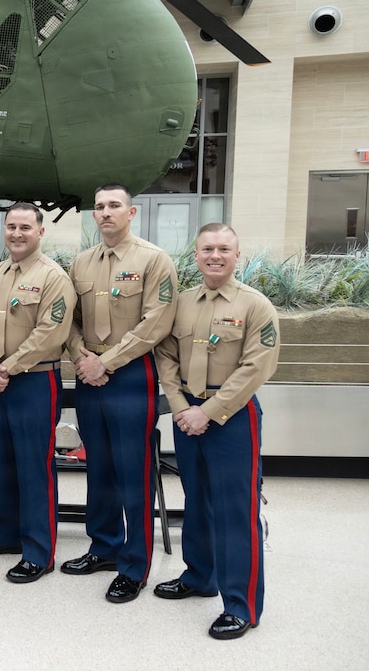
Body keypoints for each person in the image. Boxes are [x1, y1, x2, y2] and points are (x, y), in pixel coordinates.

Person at [153, 223, 279, 640]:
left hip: (233, 417)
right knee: (197, 500)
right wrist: (179, 407)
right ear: (197, 255)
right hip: (187, 413)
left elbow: (256, 368)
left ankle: (241, 606)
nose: (215, 256)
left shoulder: (255, 306)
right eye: (207, 248)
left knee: (234, 510)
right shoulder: (182, 304)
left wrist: (208, 411)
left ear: (236, 255)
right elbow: (165, 354)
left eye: (224, 249)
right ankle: (200, 576)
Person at [62, 183, 178, 603]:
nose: (106, 212)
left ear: (131, 213)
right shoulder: (81, 263)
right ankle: (104, 547)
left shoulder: (153, 260)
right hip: (89, 376)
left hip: (131, 376)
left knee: (133, 471)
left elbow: (156, 323)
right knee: (101, 469)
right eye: (99, 207)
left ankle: (134, 564)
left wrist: (105, 362)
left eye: (114, 206)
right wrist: (81, 357)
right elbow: (67, 321)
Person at [0, 203, 74, 583]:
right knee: (4, 461)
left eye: (25, 227)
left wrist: (6, 368)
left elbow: (51, 333)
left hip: (33, 382)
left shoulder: (53, 278)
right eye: (11, 226)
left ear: (40, 232)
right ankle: (5, 535)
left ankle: (38, 552)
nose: (16, 233)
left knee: (34, 467)